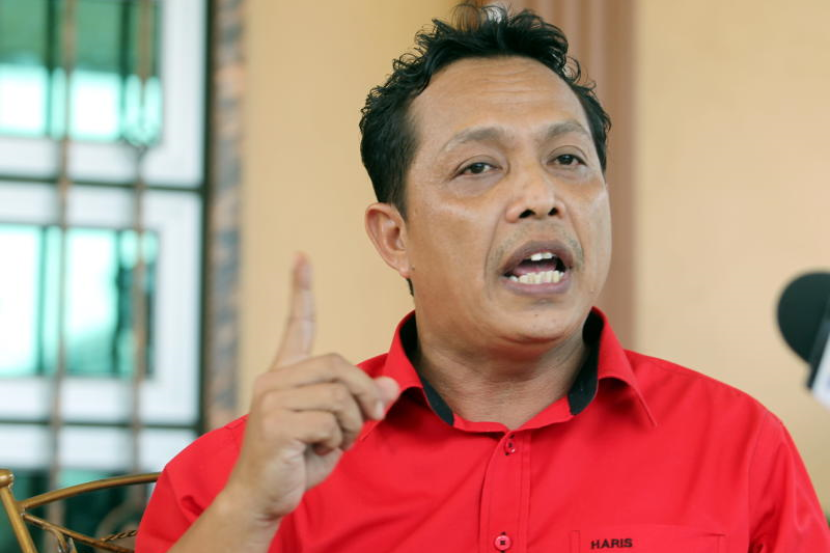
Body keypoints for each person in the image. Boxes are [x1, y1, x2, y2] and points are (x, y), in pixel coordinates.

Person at [136, 5, 830, 552]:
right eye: (478, 167)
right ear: (396, 237)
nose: (540, 196)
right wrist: (250, 510)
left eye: (567, 159)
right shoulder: (232, 478)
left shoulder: (742, 447)